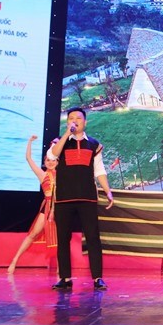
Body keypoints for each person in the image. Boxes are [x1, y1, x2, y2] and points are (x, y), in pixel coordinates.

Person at [48, 107, 114, 291]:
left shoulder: (93, 144)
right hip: (64, 197)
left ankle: (98, 278)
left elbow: (99, 171)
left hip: (87, 197)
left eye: (78, 118)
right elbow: (52, 155)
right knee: (63, 238)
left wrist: (108, 191)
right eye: (71, 118)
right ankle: (65, 278)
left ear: (85, 122)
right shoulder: (59, 142)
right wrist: (65, 135)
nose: (74, 121)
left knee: (93, 237)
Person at [7, 135, 58, 274]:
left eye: (53, 160)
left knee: (60, 238)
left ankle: (61, 269)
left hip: (60, 207)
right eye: (48, 160)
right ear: (44, 162)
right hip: (47, 207)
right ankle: (14, 261)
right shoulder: (42, 175)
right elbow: (28, 158)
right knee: (33, 234)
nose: (50, 163)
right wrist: (30, 142)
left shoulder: (63, 175)